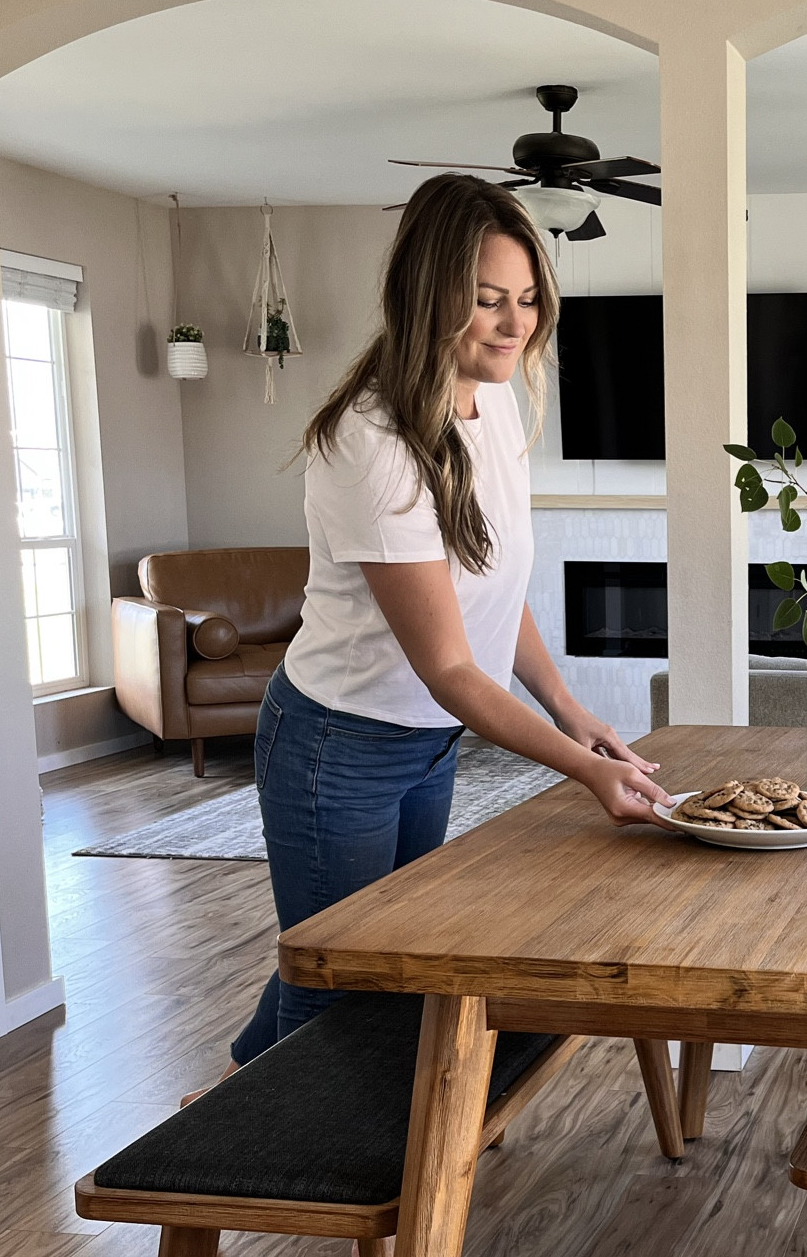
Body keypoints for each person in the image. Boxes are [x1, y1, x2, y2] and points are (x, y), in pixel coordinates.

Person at [227, 172, 667, 1072]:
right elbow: (451, 669)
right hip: (337, 746)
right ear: (431, 299)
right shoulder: (372, 443)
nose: (518, 324)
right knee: (337, 969)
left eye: (529, 300)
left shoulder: (492, 399)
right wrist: (583, 770)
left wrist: (568, 707)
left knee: (381, 943)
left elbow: (494, 597)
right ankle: (281, 1161)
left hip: (426, 742)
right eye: (489, 302)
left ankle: (235, 1085)